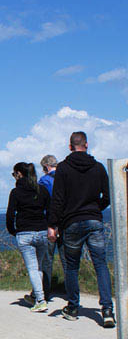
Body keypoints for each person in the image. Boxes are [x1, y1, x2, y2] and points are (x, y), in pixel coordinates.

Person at [48, 131, 115, 327]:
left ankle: (73, 306)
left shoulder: (63, 169)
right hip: (94, 221)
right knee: (100, 265)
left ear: (70, 146)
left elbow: (58, 199)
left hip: (71, 223)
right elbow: (108, 196)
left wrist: (53, 224)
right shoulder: (98, 168)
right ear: (86, 145)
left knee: (71, 266)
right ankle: (107, 309)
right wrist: (95, 210)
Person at [6, 162, 51, 312]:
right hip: (42, 231)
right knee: (38, 267)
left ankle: (40, 299)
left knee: (32, 268)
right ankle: (37, 296)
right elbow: (50, 211)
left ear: (19, 174)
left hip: (25, 233)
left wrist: (13, 230)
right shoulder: (42, 190)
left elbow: (10, 214)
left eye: (14, 174)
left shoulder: (16, 192)